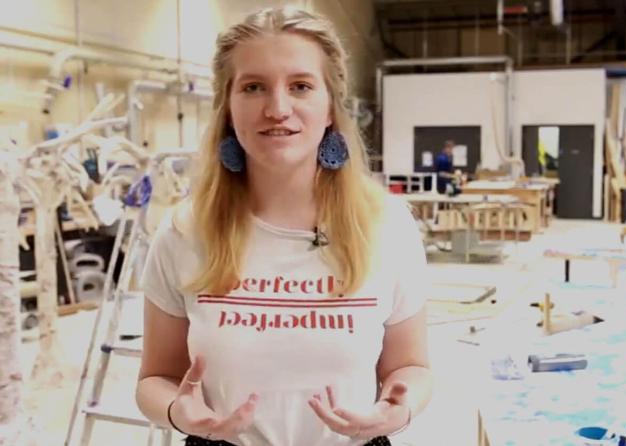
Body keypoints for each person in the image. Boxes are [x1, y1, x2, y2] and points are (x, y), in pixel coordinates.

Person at [135, 7, 432, 446]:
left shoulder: (387, 227)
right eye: (253, 87)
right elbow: (154, 379)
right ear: (228, 107)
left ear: (330, 106)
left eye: (301, 86)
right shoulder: (185, 231)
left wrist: (398, 409)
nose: (278, 108)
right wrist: (179, 411)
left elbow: (412, 368)